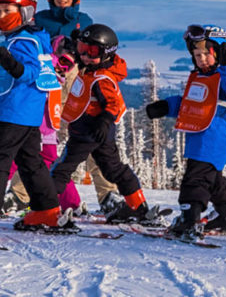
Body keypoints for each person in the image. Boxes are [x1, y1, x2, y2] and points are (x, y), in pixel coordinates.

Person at [3, 0, 123, 216]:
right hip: (49, 82)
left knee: (92, 135)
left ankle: (108, 193)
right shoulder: (41, 19)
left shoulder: (84, 19)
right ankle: (19, 193)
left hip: (79, 81)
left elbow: (97, 53)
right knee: (39, 138)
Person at [0, 0, 77, 239]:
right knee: (31, 163)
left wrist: (12, 65)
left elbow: (31, 72)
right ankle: (47, 210)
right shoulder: (30, 37)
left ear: (25, 11)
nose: (0, 16)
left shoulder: (22, 42)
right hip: (27, 112)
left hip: (16, 111)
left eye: (7, 10)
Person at [144, 24, 226, 240]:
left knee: (196, 179)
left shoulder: (225, 76)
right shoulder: (201, 76)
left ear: (220, 53)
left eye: (206, 54)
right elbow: (189, 102)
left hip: (215, 136)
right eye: (197, 54)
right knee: (212, 180)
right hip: (198, 135)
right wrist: (166, 106)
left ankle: (189, 220)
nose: (201, 59)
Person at [51, 24, 158, 224]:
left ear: (106, 54)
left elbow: (112, 103)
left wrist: (105, 120)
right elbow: (81, 57)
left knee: (62, 168)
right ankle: (138, 205)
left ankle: (45, 211)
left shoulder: (101, 78)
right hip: (99, 133)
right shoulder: (92, 66)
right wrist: (78, 44)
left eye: (91, 52)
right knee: (113, 169)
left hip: (88, 131)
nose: (84, 56)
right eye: (83, 49)